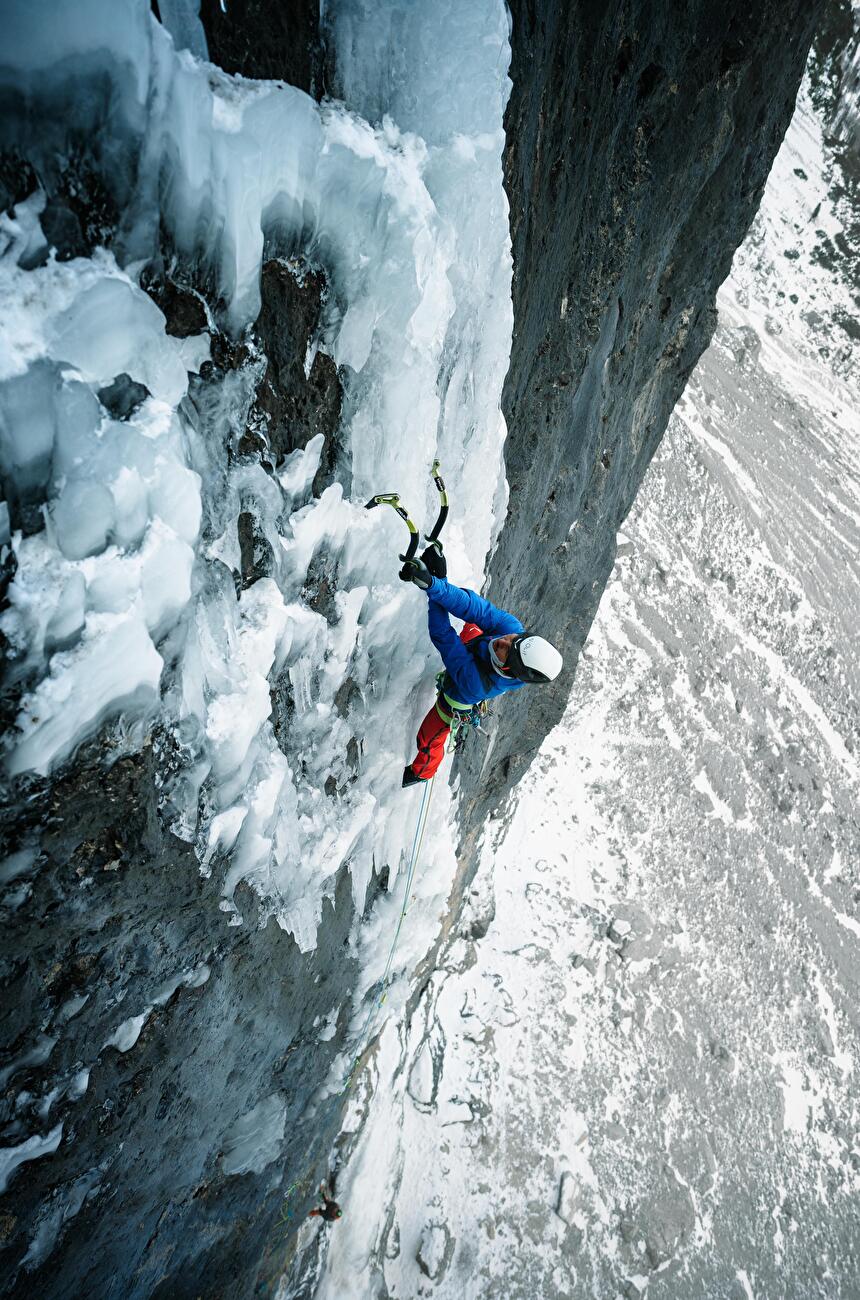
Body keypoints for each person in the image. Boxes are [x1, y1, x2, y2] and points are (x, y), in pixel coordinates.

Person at [400, 547, 563, 786]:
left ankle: (422, 772)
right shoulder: (512, 630)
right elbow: (472, 607)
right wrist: (436, 584)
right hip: (474, 656)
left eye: (507, 649)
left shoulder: (474, 684)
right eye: (514, 640)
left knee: (428, 738)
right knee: (475, 626)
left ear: (509, 670)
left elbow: (443, 635)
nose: (504, 640)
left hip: (456, 695)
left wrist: (432, 588)